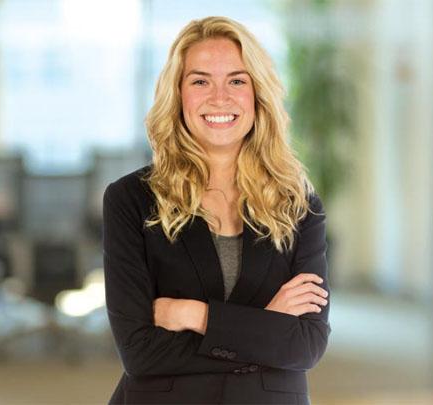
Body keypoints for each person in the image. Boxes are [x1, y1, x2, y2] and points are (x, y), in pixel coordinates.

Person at [103, 16, 330, 404]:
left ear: (258, 95)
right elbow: (140, 352)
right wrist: (265, 326)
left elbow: (305, 346)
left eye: (237, 81)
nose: (219, 98)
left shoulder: (297, 204)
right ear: (178, 94)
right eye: (200, 80)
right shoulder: (131, 200)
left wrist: (195, 315)